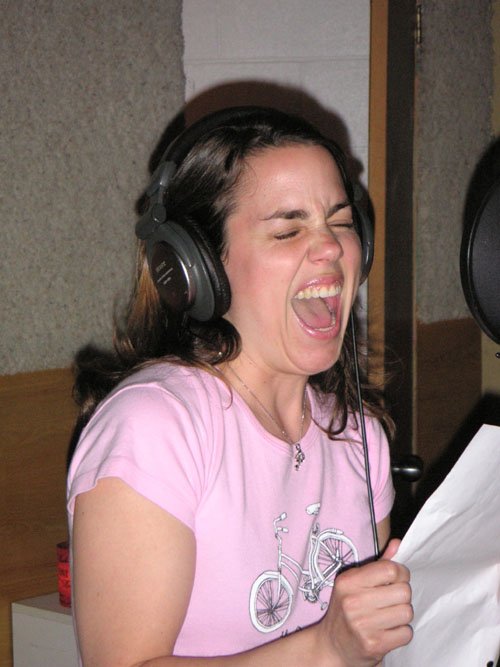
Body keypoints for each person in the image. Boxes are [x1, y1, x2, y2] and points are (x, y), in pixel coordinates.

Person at [67, 106, 413, 666]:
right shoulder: (155, 427)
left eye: (342, 222)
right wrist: (325, 648)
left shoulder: (358, 434)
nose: (331, 248)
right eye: (288, 229)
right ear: (198, 269)